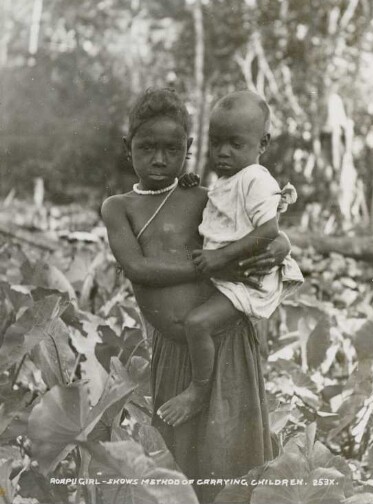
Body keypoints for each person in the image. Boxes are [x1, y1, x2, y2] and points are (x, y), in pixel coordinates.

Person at [101, 88, 291, 503]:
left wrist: (282, 246)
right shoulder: (119, 206)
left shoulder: (205, 195)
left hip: (225, 344)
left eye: (172, 149)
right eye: (147, 147)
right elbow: (138, 268)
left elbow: (259, 227)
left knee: (229, 458)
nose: (158, 159)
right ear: (127, 147)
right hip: (173, 350)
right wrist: (212, 264)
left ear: (188, 149)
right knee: (178, 467)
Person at [157, 90, 303, 427]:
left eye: (235, 144)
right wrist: (194, 186)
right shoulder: (230, 177)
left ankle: (199, 390)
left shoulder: (256, 179)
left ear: (262, 144)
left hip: (247, 281)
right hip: (227, 274)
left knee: (198, 323)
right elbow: (222, 212)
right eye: (216, 142)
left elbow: (267, 232)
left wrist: (220, 258)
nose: (222, 152)